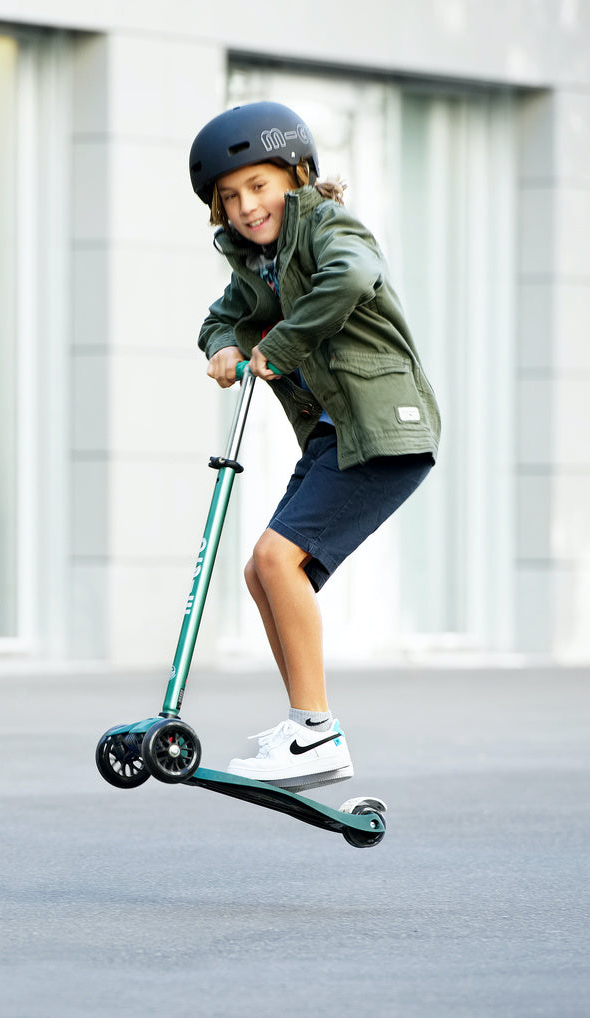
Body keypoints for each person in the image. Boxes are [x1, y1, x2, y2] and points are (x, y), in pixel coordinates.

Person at [188, 101, 440, 792]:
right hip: (333, 435)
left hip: (383, 429)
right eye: (230, 197)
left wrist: (280, 344)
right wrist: (224, 346)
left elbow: (351, 277)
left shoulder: (329, 225)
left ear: (297, 176)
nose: (246, 206)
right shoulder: (257, 265)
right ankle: (307, 724)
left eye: (258, 186)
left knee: (278, 559)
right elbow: (219, 319)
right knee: (260, 571)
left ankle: (316, 732)